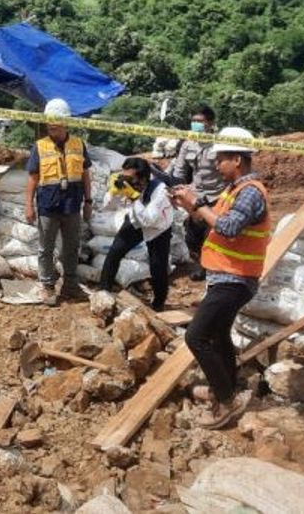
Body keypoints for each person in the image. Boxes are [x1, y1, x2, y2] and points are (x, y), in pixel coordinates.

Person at [171, 127, 267, 429]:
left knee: (195, 336)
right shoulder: (234, 191)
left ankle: (226, 401)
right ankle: (229, 386)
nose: (216, 165)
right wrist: (190, 205)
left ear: (237, 159)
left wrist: (199, 204)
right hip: (226, 277)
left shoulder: (250, 192)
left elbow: (227, 227)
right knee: (218, 335)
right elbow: (212, 220)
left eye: (221, 159)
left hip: (236, 279)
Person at [24, 98, 93, 305]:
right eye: (49, 120)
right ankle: (47, 286)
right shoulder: (40, 146)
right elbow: (33, 178)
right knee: (46, 248)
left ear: (66, 122)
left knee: (72, 247)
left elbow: (85, 175)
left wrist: (88, 201)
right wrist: (28, 205)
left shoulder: (78, 144)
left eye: (56, 120)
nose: (51, 124)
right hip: (48, 205)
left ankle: (71, 285)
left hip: (72, 205)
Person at [99, 157, 176, 310]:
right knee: (114, 253)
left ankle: (158, 303)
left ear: (143, 178)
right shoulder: (130, 186)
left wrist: (134, 197)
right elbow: (107, 207)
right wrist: (113, 193)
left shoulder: (160, 191)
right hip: (135, 220)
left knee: (157, 266)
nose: (127, 181)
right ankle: (103, 291)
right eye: (125, 176)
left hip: (157, 227)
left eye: (131, 178)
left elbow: (148, 220)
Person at [170, 105, 225, 280]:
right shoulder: (188, 144)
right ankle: (202, 264)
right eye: (193, 121)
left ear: (210, 123)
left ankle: (210, 270)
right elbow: (179, 171)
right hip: (194, 195)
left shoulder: (219, 145)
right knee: (192, 236)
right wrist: (176, 188)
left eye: (199, 121)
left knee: (211, 236)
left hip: (216, 196)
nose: (195, 124)